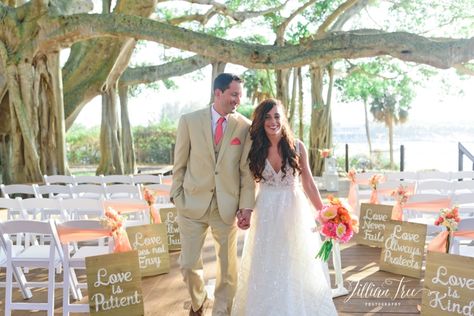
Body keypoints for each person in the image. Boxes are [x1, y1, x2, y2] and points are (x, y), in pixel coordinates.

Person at [231, 98, 337, 316]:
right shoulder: (254, 148)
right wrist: (244, 211)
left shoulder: (297, 146)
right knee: (268, 259)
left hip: (294, 209)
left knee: (295, 257)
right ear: (260, 121)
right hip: (267, 210)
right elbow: (246, 183)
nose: (273, 121)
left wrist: (324, 213)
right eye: (267, 117)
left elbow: (308, 181)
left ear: (284, 118)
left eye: (277, 116)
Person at [171, 73, 256, 316]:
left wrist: (246, 206)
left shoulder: (245, 126)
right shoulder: (189, 120)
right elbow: (180, 163)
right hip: (191, 204)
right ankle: (198, 301)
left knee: (227, 266)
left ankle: (222, 311)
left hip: (226, 206)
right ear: (218, 93)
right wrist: (177, 195)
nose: (238, 99)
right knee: (187, 264)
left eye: (240, 94)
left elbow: (246, 173)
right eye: (234, 94)